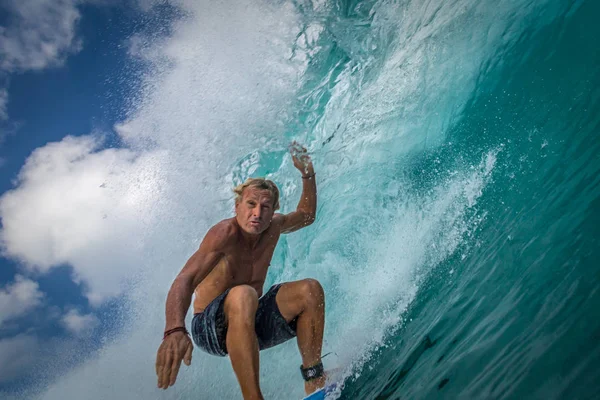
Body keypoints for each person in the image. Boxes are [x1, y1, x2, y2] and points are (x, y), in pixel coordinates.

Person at [155, 142, 326, 399]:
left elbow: (306, 215)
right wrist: (174, 329)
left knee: (309, 290)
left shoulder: (274, 227)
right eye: (251, 204)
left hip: (250, 320)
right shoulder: (224, 235)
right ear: (237, 207)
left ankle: (315, 380)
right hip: (209, 327)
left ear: (273, 212)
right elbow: (185, 279)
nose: (257, 213)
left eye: (265, 207)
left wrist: (307, 174)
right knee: (244, 293)